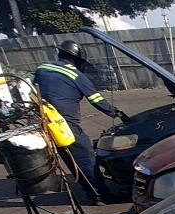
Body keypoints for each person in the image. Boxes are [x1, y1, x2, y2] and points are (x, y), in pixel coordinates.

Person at [33, 41, 131, 204]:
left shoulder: (42, 69)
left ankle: (90, 192)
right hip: (65, 124)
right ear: (78, 60)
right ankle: (100, 195)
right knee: (86, 156)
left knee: (70, 158)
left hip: (46, 121)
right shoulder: (75, 75)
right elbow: (96, 99)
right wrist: (116, 113)